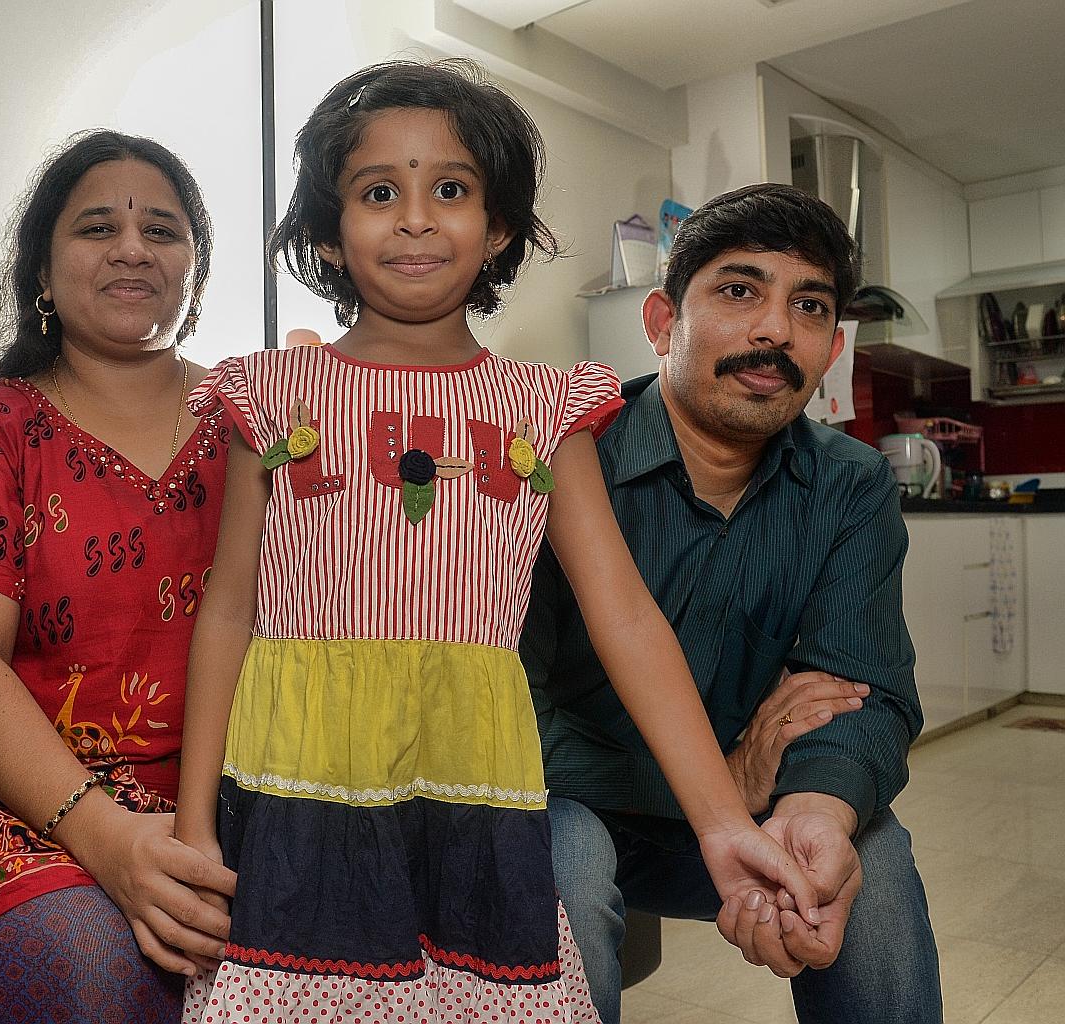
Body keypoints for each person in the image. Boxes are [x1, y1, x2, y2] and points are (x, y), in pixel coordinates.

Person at [173, 61, 823, 1024]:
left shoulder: (542, 408)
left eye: (451, 190)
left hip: (474, 790)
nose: (415, 219)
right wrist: (194, 824)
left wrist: (723, 824)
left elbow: (624, 616)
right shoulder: (270, 395)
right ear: (327, 231)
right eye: (378, 193)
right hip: (297, 787)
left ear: (500, 226)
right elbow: (228, 613)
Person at [520, 182, 941, 1023]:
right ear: (661, 322)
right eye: (740, 290)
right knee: (561, 857)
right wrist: (726, 779)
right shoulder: (561, 457)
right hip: (566, 806)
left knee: (869, 852)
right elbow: (499, 706)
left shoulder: (850, 485)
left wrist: (812, 804)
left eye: (809, 306)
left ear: (831, 347)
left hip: (745, 818)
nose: (776, 330)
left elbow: (866, 691)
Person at [0, 130, 238, 1024]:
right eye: (98, 228)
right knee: (95, 972)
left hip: (221, 795)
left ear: (194, 270)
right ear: (42, 271)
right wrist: (108, 839)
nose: (133, 248)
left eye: (162, 230)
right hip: (17, 797)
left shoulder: (256, 427)